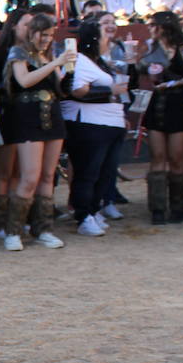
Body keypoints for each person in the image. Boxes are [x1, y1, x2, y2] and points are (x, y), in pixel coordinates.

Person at [2, 12, 73, 251]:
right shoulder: (19, 52)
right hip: (28, 118)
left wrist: (66, 74)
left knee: (47, 176)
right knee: (29, 176)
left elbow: (59, 89)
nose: (46, 39)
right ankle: (13, 230)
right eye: (43, 34)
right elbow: (24, 81)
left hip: (51, 116)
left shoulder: (47, 55)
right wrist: (56, 63)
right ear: (32, 32)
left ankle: (44, 228)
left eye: (50, 35)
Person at [61, 15, 129, 237]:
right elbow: (77, 90)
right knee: (88, 171)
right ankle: (83, 215)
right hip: (90, 125)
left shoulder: (100, 60)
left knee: (105, 172)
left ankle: (92, 209)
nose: (110, 28)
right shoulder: (81, 59)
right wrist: (111, 92)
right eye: (103, 25)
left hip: (109, 124)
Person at [137, 11, 183, 223]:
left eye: (154, 25)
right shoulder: (150, 47)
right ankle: (157, 208)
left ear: (165, 27)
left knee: (177, 157)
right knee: (157, 156)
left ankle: (177, 207)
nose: (151, 29)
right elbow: (139, 67)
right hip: (158, 102)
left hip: (177, 103)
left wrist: (175, 83)